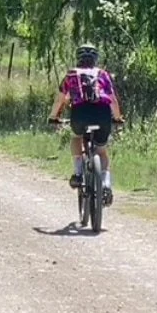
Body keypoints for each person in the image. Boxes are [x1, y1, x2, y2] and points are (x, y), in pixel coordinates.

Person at [47, 44, 126, 204]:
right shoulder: (103, 74)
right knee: (102, 151)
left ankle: (77, 173)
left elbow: (60, 99)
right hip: (102, 115)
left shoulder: (71, 74)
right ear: (96, 59)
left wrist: (53, 116)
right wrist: (117, 118)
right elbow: (113, 100)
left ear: (78, 58)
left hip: (80, 114)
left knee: (76, 136)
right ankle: (106, 184)